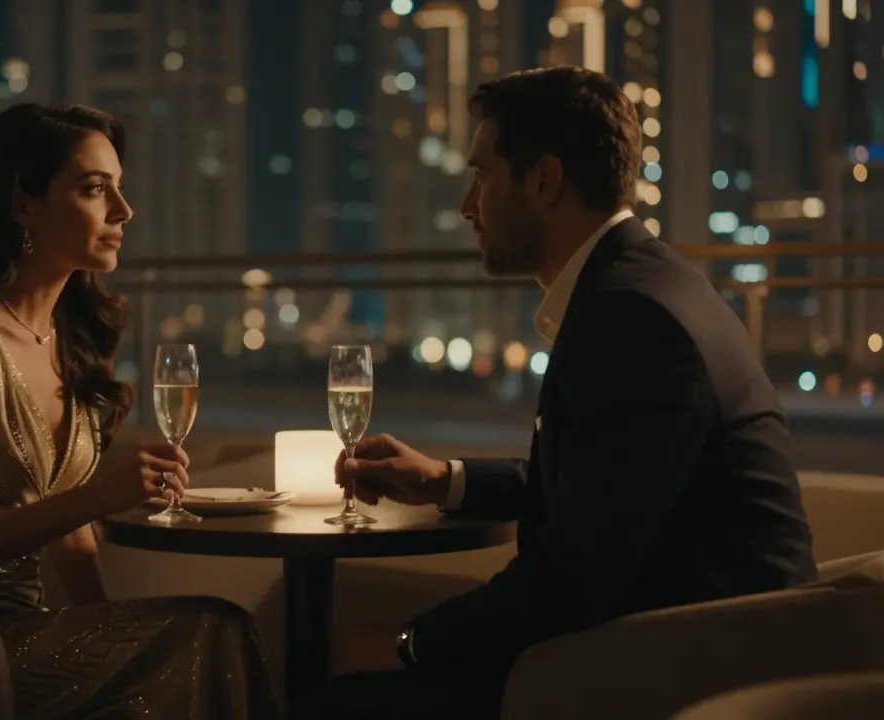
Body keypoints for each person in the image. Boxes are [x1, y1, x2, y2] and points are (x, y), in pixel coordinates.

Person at [293, 67, 817, 719]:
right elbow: (608, 487)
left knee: (334, 704)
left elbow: (571, 580)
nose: (466, 205)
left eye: (482, 176)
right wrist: (446, 481)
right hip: (690, 644)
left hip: (692, 670)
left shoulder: (631, 318)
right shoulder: (646, 282)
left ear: (543, 180)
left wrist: (410, 642)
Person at [0, 103, 280, 720]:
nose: (123, 211)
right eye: (93, 189)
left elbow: (63, 518)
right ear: (22, 204)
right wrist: (98, 497)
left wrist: (105, 620)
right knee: (209, 631)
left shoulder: (65, 341)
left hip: (18, 628)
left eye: (120, 188)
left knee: (208, 631)